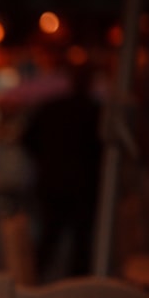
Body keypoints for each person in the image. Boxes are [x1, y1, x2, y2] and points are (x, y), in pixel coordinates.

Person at [21, 60, 103, 280]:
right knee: (79, 242)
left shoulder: (52, 108)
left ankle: (36, 284)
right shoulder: (93, 111)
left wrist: (45, 160)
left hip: (52, 183)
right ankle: (75, 290)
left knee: (51, 236)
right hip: (82, 187)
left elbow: (27, 140)